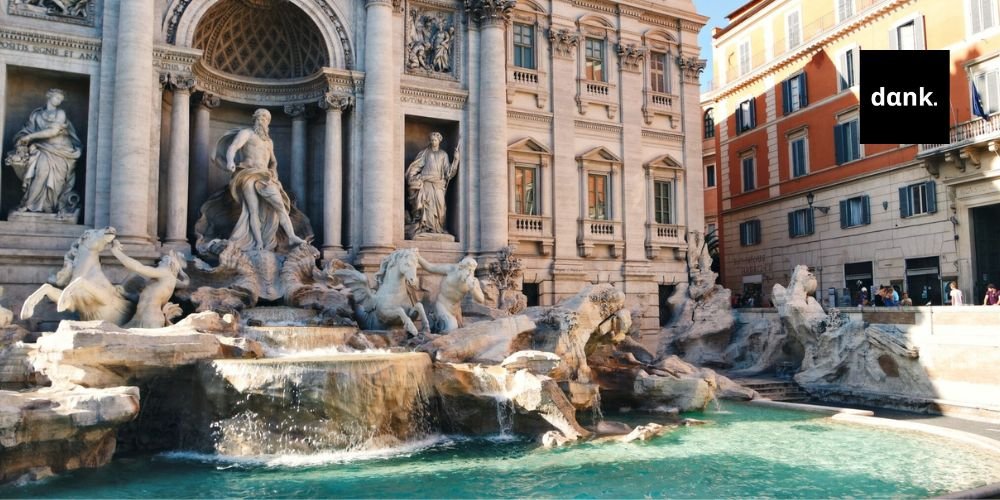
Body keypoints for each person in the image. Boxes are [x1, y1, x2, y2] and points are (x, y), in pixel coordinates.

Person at [218, 109, 306, 251]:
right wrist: (230, 161)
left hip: (265, 177)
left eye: (265, 118)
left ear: (268, 123)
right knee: (253, 211)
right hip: (248, 174)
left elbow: (273, 161)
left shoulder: (269, 142)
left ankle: (291, 236)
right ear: (255, 119)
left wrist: (274, 171)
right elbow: (233, 147)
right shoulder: (247, 134)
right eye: (260, 117)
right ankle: (258, 243)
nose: (262, 120)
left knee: (280, 207)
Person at [8, 88, 82, 214]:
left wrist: (30, 137)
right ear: (49, 96)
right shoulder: (36, 115)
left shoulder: (60, 113)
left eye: (61, 99)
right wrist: (22, 139)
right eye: (57, 98)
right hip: (43, 149)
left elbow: (53, 132)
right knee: (41, 173)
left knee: (57, 181)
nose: (59, 101)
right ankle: (29, 204)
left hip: (62, 152)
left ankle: (49, 206)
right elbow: (26, 131)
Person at [110, 240, 189, 328]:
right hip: (141, 318)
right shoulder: (166, 280)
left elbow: (138, 267)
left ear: (170, 264)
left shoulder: (165, 272)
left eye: (162, 261)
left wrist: (116, 252)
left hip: (150, 320)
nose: (159, 262)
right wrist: (126, 294)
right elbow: (147, 298)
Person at [405, 131, 460, 237]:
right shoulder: (425, 152)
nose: (433, 142)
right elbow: (417, 166)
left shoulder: (443, 154)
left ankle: (438, 227)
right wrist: (412, 177)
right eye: (431, 140)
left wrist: (456, 159)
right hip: (426, 182)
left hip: (438, 183)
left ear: (439, 141)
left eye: (435, 140)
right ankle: (426, 228)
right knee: (427, 205)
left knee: (441, 206)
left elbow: (448, 173)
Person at [416, 255, 485, 332]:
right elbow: (430, 267)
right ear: (461, 268)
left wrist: (473, 289)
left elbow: (481, 299)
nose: (470, 273)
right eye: (468, 270)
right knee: (451, 327)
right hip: (442, 305)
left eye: (472, 271)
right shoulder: (451, 269)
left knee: (457, 330)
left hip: (456, 310)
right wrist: (417, 256)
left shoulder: (473, 281)